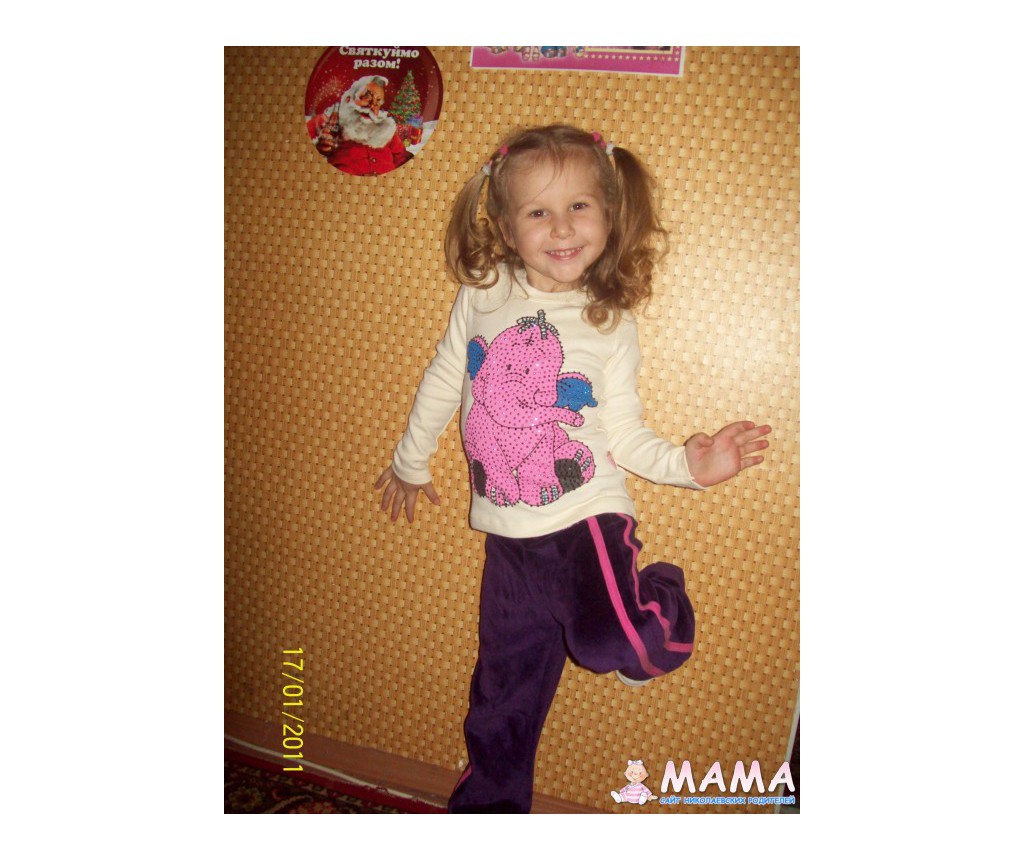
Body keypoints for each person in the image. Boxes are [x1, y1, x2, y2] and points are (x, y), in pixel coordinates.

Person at [374, 124, 771, 813]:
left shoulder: (608, 320)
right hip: (507, 535)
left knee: (615, 642)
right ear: (506, 227)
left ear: (609, 214)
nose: (560, 227)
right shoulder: (485, 291)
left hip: (584, 520)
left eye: (579, 206)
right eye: (538, 211)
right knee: (501, 695)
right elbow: (445, 376)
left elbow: (625, 434)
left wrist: (688, 465)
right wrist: (410, 462)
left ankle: (663, 599)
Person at [313, 75, 411, 176]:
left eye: (378, 101)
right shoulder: (333, 122)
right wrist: (321, 149)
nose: (372, 105)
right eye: (366, 96)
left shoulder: (385, 129)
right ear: (349, 99)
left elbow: (402, 158)